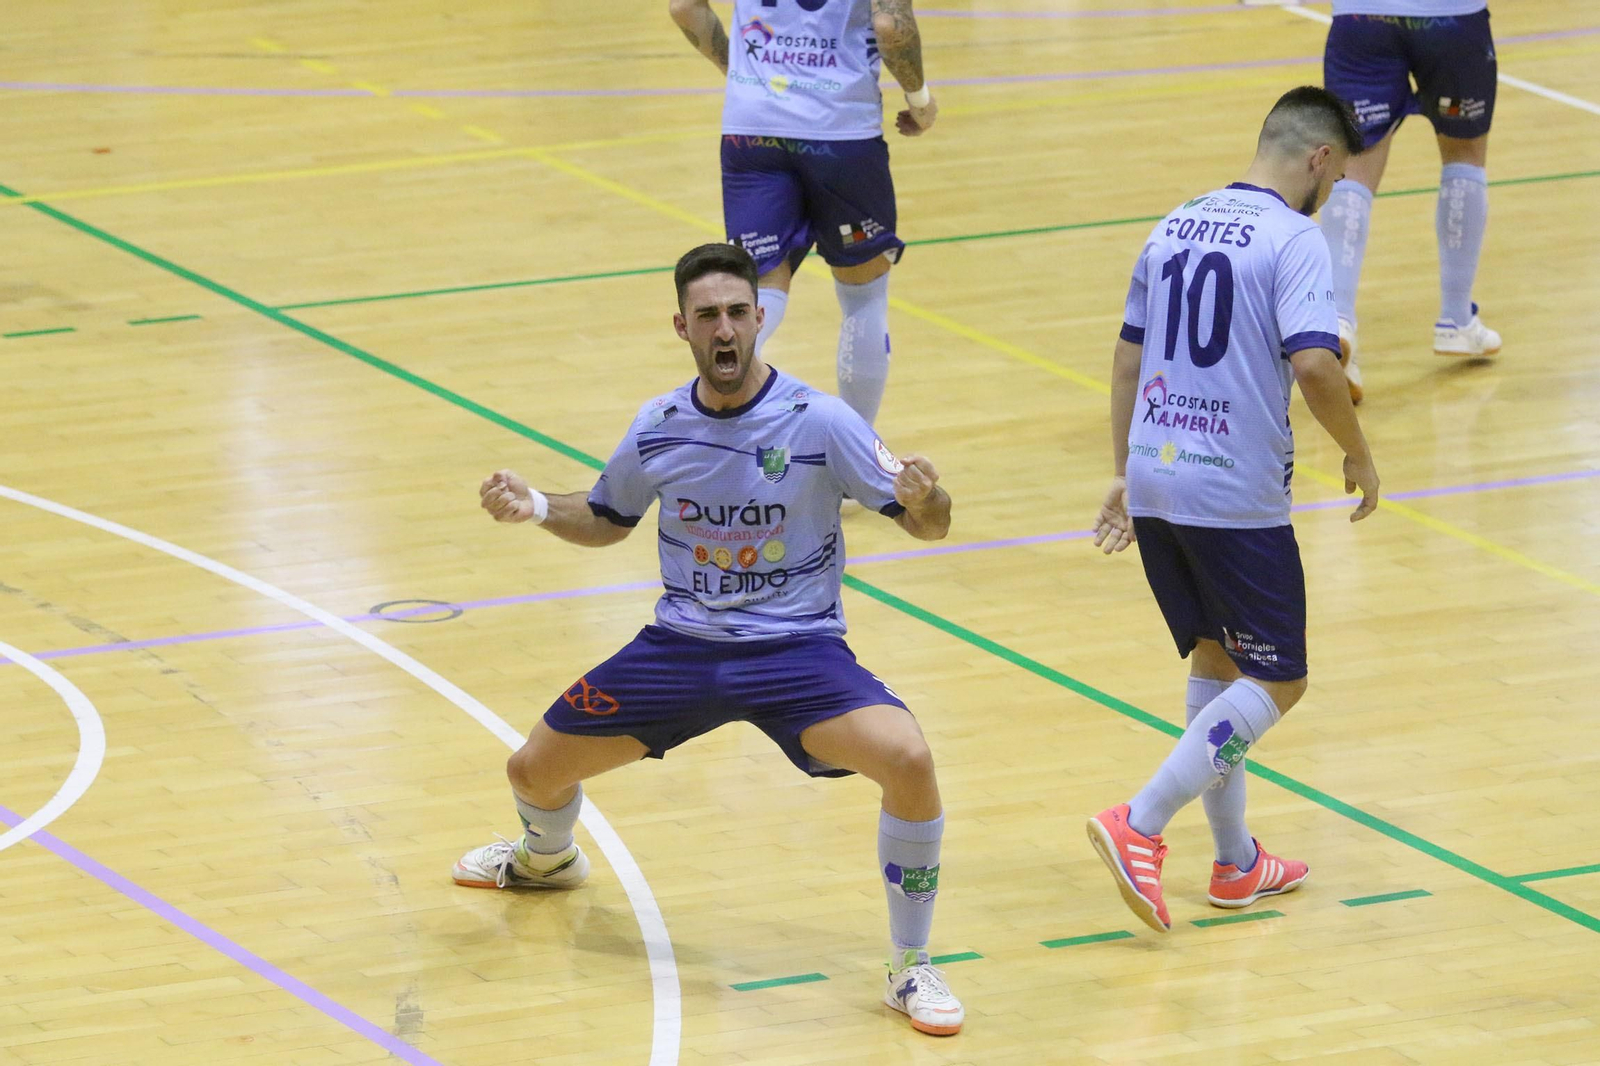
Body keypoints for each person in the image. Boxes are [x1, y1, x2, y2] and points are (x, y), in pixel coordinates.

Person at [452, 243, 964, 1035]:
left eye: (736, 313)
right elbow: (608, 518)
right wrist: (541, 508)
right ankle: (545, 861)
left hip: (798, 653)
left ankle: (911, 965)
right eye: (706, 317)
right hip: (681, 650)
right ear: (682, 327)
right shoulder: (659, 426)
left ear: (759, 320)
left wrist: (927, 498)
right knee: (531, 771)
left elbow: (928, 525)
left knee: (910, 759)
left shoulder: (823, 422)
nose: (723, 330)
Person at [1086, 87, 1382, 933]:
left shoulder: (1174, 222)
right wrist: (1357, 452)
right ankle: (1138, 822)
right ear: (1320, 159)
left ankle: (1236, 863)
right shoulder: (1295, 238)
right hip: (1232, 489)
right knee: (1278, 677)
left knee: (1216, 663)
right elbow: (1319, 367)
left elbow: (1124, 359)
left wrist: (1123, 472)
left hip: (1156, 472)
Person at [667, 0, 936, 426]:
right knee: (863, 298)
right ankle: (858, 454)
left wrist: (743, 73)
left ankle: (701, 420)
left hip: (752, 128)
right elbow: (889, 25)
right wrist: (920, 100)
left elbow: (684, 8)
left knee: (759, 290)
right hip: (843, 134)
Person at [1319, 0, 1502, 403]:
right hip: (1453, 19)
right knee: (1464, 155)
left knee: (1355, 166)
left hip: (1361, 19)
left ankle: (1337, 320)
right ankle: (1456, 319)